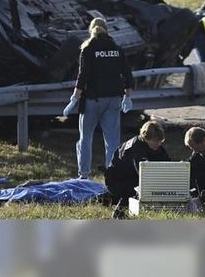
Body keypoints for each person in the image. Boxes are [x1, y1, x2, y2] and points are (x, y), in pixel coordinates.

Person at [67, 17, 134, 179]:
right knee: (112, 142)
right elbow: (127, 75)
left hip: (92, 100)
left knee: (85, 139)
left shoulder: (88, 49)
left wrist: (74, 99)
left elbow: (82, 76)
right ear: (107, 30)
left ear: (91, 31)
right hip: (114, 100)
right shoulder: (117, 49)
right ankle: (112, 175)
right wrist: (128, 96)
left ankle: (83, 175)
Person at [105, 121, 170, 215]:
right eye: (156, 141)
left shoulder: (155, 146)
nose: (159, 144)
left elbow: (167, 164)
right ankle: (120, 210)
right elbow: (144, 174)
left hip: (132, 178)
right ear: (146, 138)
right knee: (139, 189)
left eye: (161, 141)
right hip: (118, 181)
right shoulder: (135, 148)